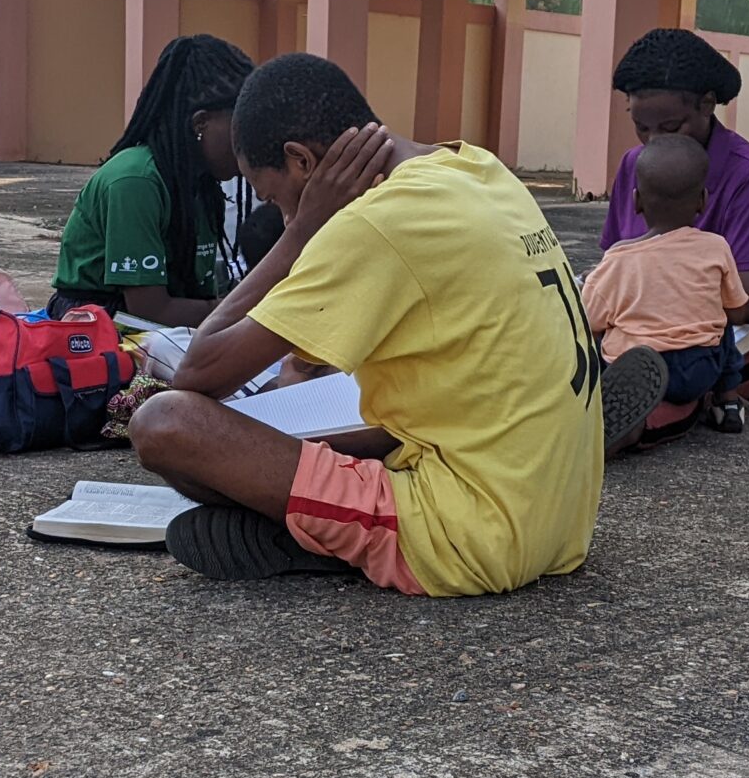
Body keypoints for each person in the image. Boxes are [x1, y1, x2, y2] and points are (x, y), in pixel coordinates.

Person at [127, 53, 668, 596]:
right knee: (354, 394)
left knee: (166, 425)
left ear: (301, 163)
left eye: (273, 198)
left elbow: (197, 374)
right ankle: (321, 514)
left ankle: (317, 535)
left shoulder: (373, 222)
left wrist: (301, 233)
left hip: (469, 539)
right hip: (560, 518)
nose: (281, 215)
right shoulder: (476, 167)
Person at [597, 29, 749, 399]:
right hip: (637, 330)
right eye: (641, 127)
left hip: (725, 337)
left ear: (707, 104)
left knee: (683, 373)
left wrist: (653, 314)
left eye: (670, 127)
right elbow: (614, 260)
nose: (654, 141)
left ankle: (650, 416)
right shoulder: (636, 165)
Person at [48, 35, 255, 327]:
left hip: (163, 328)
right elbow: (150, 311)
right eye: (242, 129)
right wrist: (246, 313)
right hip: (98, 328)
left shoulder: (200, 185)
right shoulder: (136, 181)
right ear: (200, 123)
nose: (251, 144)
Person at [581, 134, 749, 436]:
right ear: (702, 201)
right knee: (721, 321)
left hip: (638, 366)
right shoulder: (715, 247)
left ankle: (602, 406)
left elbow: (590, 322)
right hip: (700, 369)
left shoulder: (618, 259)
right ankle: (726, 402)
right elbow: (738, 313)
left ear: (636, 201)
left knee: (603, 336)